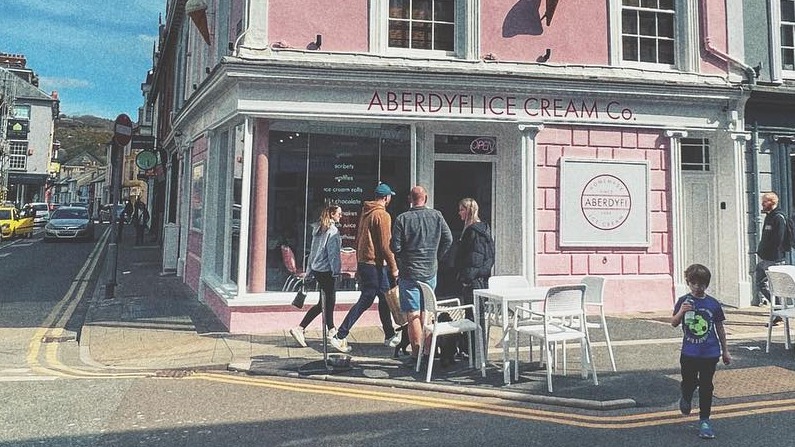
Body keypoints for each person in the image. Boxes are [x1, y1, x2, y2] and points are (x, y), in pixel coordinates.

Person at [330, 183, 401, 353]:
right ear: (385, 198)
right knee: (367, 299)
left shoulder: (366, 212)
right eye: (390, 196)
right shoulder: (382, 215)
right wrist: (394, 267)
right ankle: (340, 335)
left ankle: (389, 334)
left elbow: (358, 239)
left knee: (384, 299)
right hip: (374, 263)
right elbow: (385, 246)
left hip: (365, 262)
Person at [390, 185, 453, 364]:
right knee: (428, 313)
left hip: (409, 272)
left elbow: (395, 247)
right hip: (430, 272)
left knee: (413, 315)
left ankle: (416, 355)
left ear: (410, 199)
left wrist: (403, 260)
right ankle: (428, 351)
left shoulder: (402, 219)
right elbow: (448, 239)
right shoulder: (437, 216)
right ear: (425, 198)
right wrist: (436, 257)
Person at [671, 263, 731, 440]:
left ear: (707, 284)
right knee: (688, 381)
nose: (698, 287)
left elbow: (720, 328)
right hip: (689, 352)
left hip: (709, 353)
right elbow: (673, 323)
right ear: (688, 283)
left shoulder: (713, 304)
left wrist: (725, 351)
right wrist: (681, 311)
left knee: (706, 386)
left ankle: (705, 421)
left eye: (702, 284)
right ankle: (686, 396)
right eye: (694, 283)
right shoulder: (683, 301)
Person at [289, 205, 342, 347]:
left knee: (327, 302)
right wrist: (336, 271)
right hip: (327, 271)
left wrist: (309, 271)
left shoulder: (318, 229)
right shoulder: (332, 231)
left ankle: (331, 329)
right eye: (338, 213)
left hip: (318, 269)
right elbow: (333, 255)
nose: (340, 216)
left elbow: (312, 252)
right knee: (326, 302)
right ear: (332, 214)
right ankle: (301, 328)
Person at [453, 197, 495, 357]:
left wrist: (466, 277)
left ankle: (475, 352)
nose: (459, 213)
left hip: (473, 281)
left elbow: (474, 258)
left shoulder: (472, 232)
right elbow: (490, 256)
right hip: (481, 280)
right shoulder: (484, 229)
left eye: (461, 210)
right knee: (478, 315)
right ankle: (474, 350)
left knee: (474, 316)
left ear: (468, 211)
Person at [754, 192, 787, 325]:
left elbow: (778, 240)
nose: (762, 204)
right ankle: (778, 308)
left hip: (774, 259)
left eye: (765, 202)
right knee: (760, 283)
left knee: (775, 287)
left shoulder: (778, 217)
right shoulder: (769, 216)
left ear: (772, 202)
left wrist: (770, 254)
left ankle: (779, 312)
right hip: (765, 258)